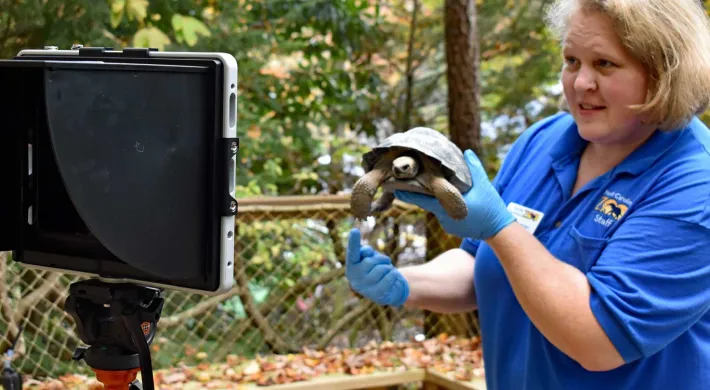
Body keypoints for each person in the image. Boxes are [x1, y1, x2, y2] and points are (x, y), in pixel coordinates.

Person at [345, 0, 710, 389]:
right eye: (572, 60)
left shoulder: (694, 184)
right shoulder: (543, 140)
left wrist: (501, 228)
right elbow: (481, 263)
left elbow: (599, 339)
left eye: (604, 64)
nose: (581, 82)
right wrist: (404, 283)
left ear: (663, 72)